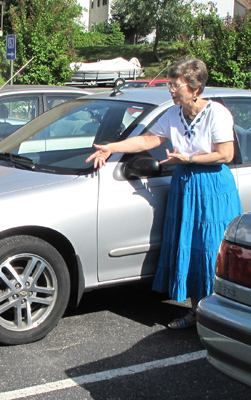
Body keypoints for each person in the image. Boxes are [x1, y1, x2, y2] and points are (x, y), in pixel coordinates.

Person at [86, 57, 242, 330]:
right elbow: (149, 139)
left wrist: (190, 159)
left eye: (175, 84)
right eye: (170, 84)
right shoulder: (173, 113)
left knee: (210, 249)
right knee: (190, 249)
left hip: (213, 187)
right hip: (185, 184)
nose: (170, 89)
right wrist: (112, 147)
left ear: (194, 88)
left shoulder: (217, 113)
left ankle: (218, 315)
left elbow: (225, 154)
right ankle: (197, 313)